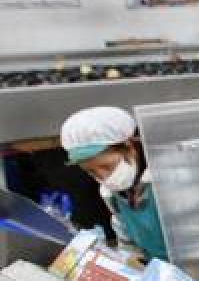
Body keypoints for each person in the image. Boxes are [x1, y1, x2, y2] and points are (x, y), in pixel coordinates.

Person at [60, 106, 168, 262]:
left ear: (130, 147)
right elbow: (127, 242)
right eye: (92, 172)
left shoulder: (166, 180)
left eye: (106, 167)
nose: (104, 177)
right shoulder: (111, 194)